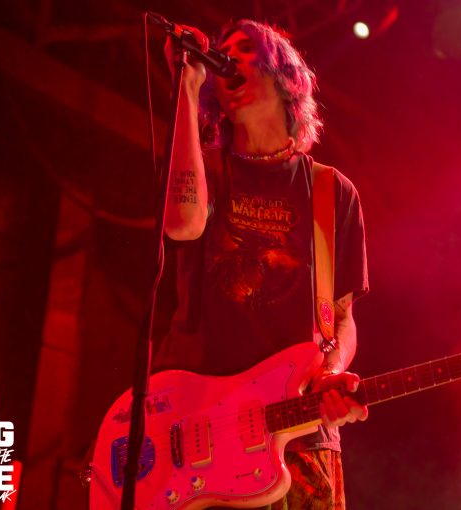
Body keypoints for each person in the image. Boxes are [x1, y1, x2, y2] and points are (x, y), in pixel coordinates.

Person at [153, 19, 369, 508]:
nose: (228, 57)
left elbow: (343, 315)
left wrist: (331, 372)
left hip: (298, 433)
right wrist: (186, 88)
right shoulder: (205, 171)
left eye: (245, 48)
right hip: (202, 430)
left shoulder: (332, 191)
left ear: (284, 75)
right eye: (223, 50)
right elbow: (182, 225)